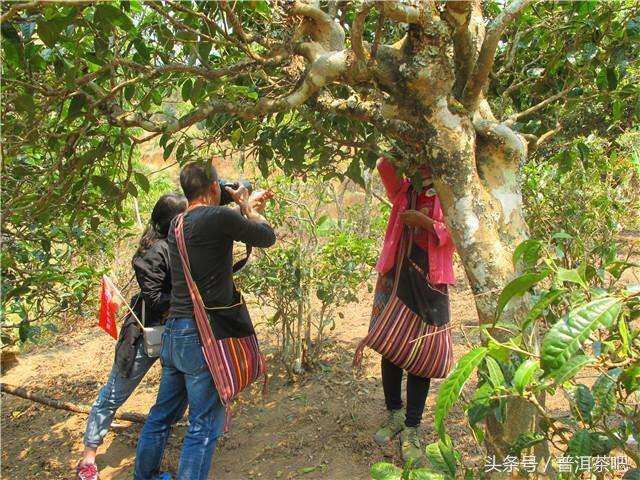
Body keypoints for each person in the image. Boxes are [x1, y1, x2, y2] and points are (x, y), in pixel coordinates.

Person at [134, 162, 276, 480]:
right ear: (214, 188)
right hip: (203, 338)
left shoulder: (177, 223)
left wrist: (238, 204)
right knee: (203, 425)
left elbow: (209, 226)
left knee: (160, 417)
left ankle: (144, 476)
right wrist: (247, 208)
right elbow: (267, 236)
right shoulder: (220, 216)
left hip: (176, 334)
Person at [76, 193, 188, 480]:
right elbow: (154, 299)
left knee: (174, 399)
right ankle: (89, 458)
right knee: (114, 394)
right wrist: (190, 299)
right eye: (185, 216)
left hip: (176, 333)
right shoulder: (153, 253)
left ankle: (158, 454)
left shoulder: (180, 243)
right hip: (145, 333)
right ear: (173, 222)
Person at [371, 158, 455, 465]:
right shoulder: (405, 189)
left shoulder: (451, 191)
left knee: (423, 352)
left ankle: (412, 427)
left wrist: (427, 224)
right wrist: (400, 145)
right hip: (398, 274)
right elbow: (382, 165)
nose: (420, 164)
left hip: (431, 280)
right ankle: (394, 413)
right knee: (391, 345)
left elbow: (461, 233)